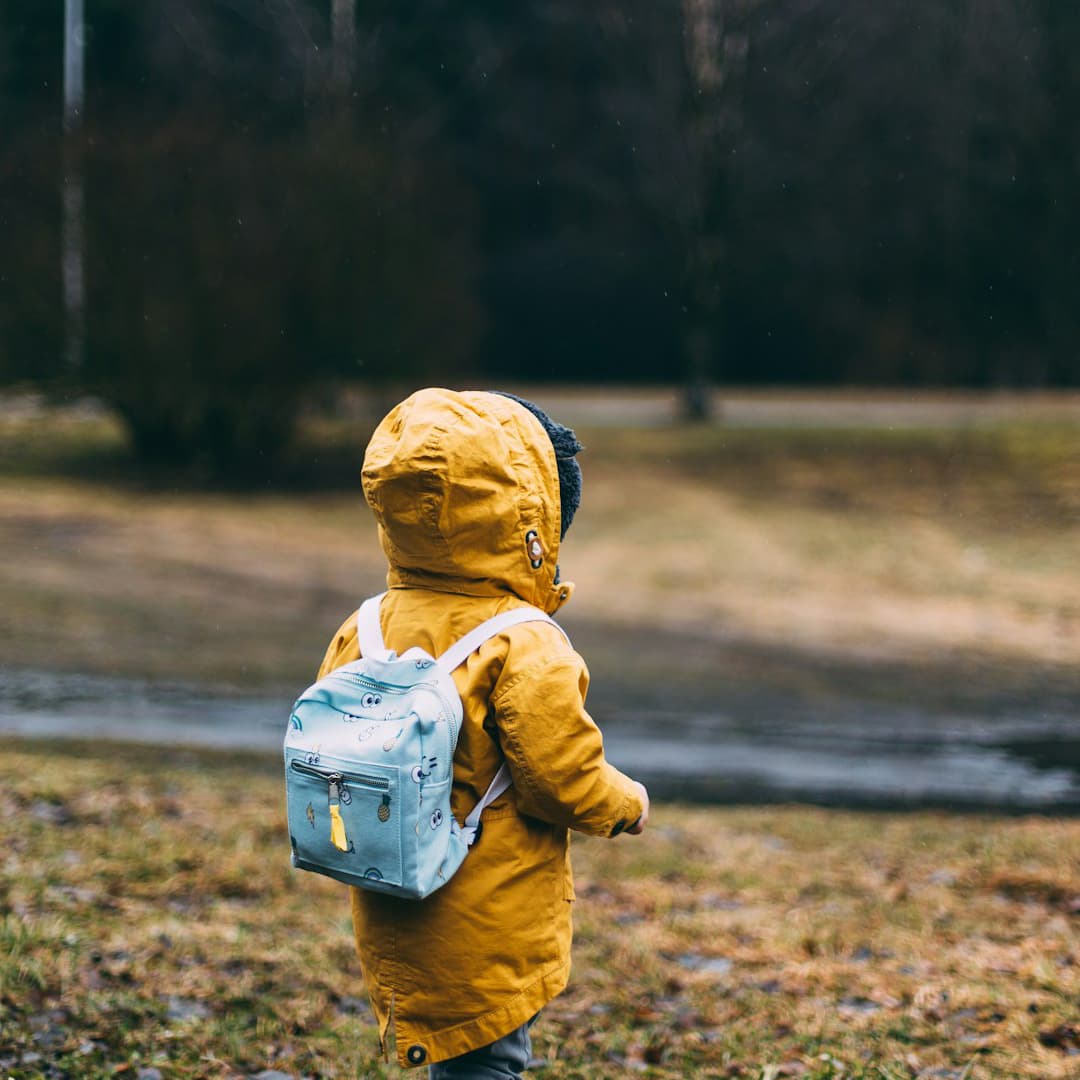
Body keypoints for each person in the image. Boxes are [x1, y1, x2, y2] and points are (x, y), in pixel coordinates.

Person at [315, 388, 650, 1077]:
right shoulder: (525, 644)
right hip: (486, 910)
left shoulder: (368, 625)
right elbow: (562, 779)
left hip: (390, 889)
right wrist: (627, 804)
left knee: (460, 1057)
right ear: (531, 521)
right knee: (488, 1060)